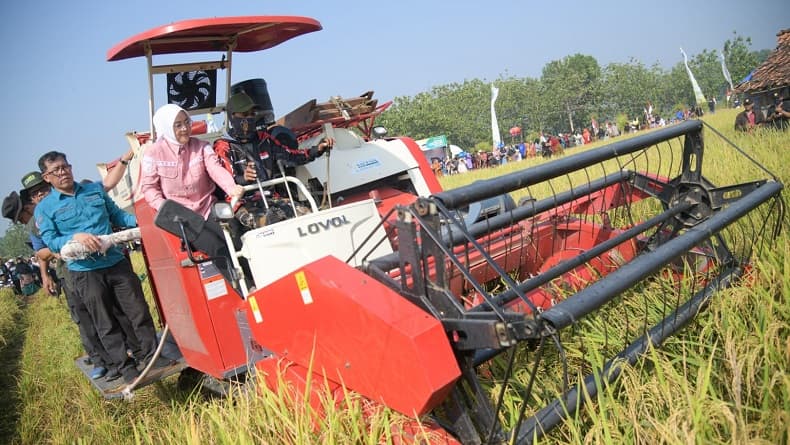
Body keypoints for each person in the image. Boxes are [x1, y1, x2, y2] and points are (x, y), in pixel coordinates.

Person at [35, 151, 162, 384]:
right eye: (56, 170)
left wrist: (144, 222)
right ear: (46, 177)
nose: (63, 172)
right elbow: (51, 241)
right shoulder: (44, 209)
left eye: (65, 166)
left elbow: (118, 216)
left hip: (115, 261)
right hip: (84, 271)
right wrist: (75, 237)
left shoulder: (93, 190)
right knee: (105, 321)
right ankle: (126, 367)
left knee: (137, 310)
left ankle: (151, 354)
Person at [213, 92, 333, 228]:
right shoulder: (223, 146)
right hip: (242, 203)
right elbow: (223, 182)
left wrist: (317, 150)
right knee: (269, 222)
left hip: (272, 198)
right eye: (244, 115)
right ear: (232, 116)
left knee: (309, 217)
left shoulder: (265, 139)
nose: (249, 118)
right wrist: (244, 178)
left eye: (252, 114)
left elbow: (291, 155)